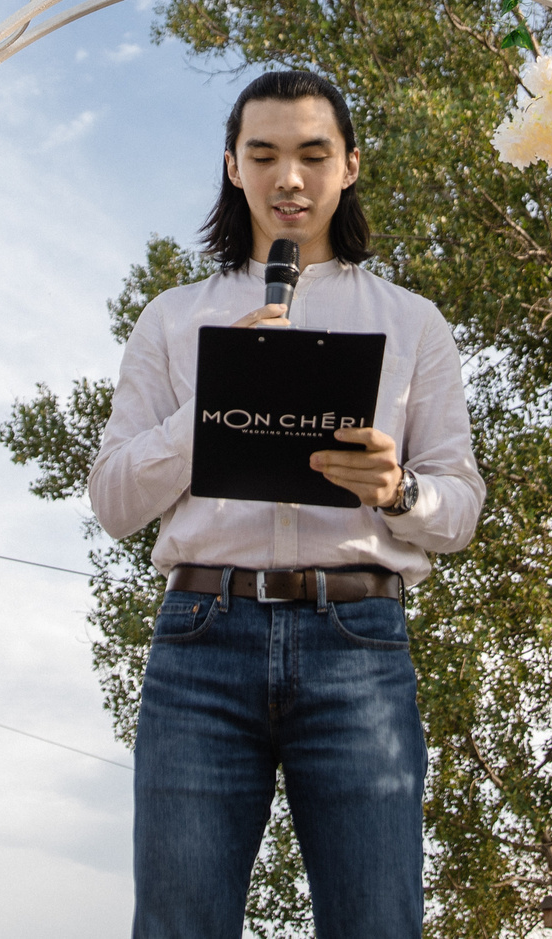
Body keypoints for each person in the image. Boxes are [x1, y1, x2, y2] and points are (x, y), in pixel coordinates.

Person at [92, 69, 486, 939]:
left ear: (350, 165)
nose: (290, 177)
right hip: (200, 640)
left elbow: (459, 505)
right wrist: (210, 411)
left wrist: (399, 489)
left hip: (358, 647)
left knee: (378, 922)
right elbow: (114, 499)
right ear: (233, 166)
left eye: (313, 153)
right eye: (263, 153)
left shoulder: (413, 322)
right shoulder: (173, 318)